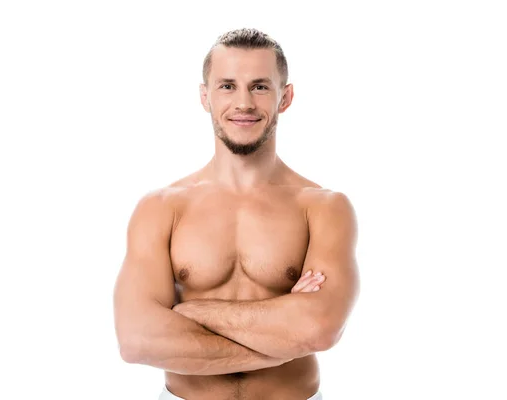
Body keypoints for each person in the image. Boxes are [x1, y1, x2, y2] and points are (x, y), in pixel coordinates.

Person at [113, 28, 360, 400]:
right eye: (227, 86)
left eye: (260, 86)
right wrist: (283, 336)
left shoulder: (323, 208)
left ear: (285, 97)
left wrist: (191, 311)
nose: (243, 102)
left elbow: (319, 329)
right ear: (205, 96)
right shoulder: (162, 208)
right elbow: (137, 339)